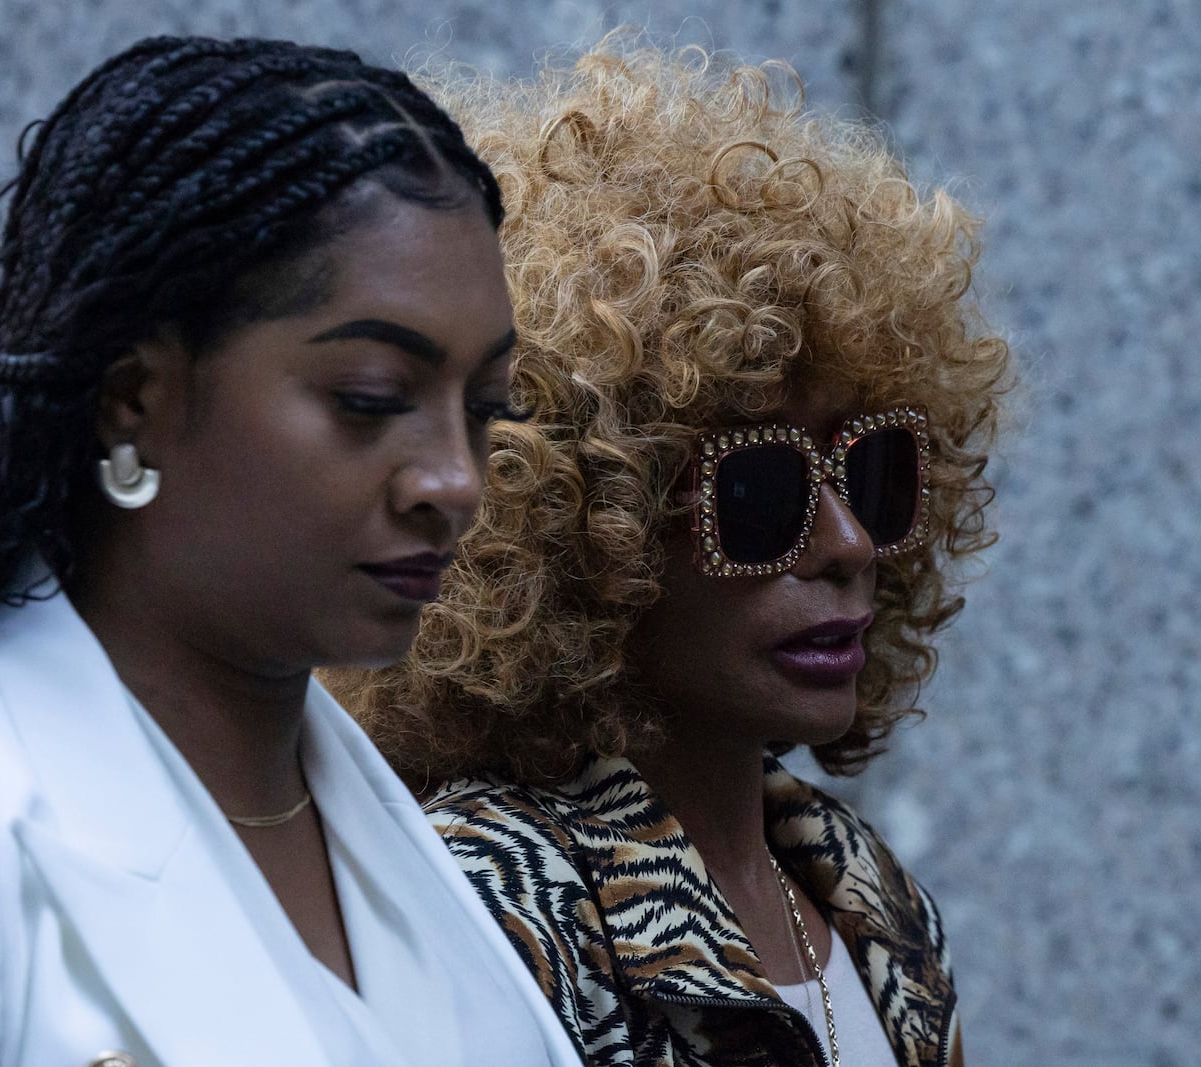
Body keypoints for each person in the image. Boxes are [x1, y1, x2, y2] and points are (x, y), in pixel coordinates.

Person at [0, 36, 582, 1067]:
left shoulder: (426, 865)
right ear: (134, 400)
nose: (454, 480)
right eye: (370, 399)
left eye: (484, 409)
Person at [333, 42, 1012, 1067]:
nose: (847, 542)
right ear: (576, 531)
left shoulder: (864, 891)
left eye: (873, 471)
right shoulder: (478, 909)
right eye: (758, 491)